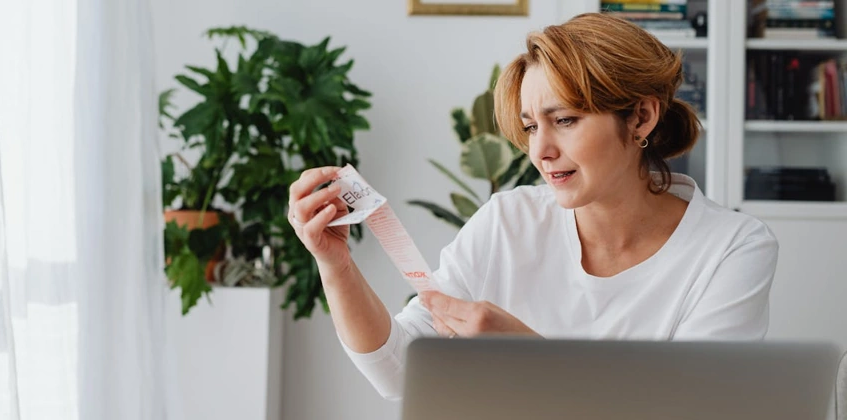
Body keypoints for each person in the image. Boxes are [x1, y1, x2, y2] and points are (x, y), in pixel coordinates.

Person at [286, 13, 779, 400]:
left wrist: (529, 357)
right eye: (529, 127)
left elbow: (693, 407)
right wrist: (336, 265)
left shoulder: (731, 247)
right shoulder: (508, 221)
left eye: (564, 120)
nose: (539, 151)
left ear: (641, 117)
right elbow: (400, 372)